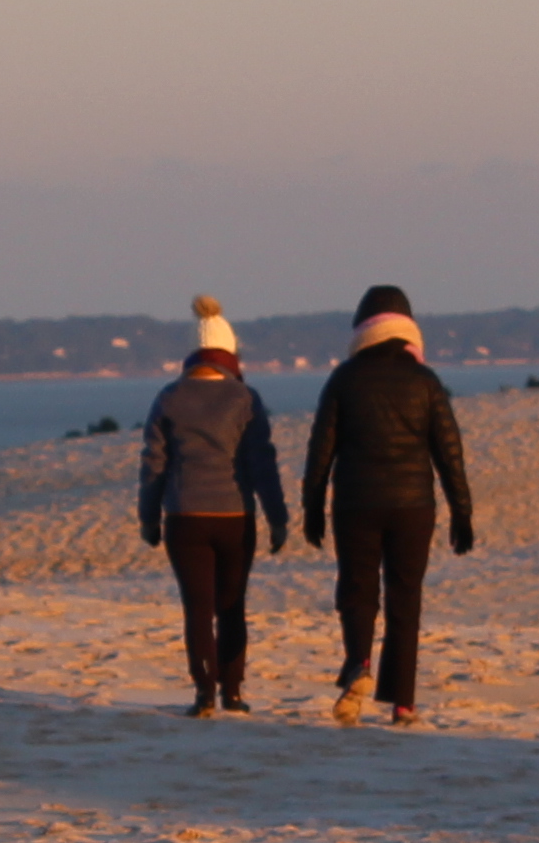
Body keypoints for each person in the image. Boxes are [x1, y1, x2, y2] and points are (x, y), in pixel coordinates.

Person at [297, 282, 474, 725]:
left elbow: (320, 450)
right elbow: (449, 451)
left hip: (356, 503)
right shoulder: (425, 381)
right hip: (413, 506)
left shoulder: (343, 379)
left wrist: (312, 507)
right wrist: (462, 511)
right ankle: (404, 702)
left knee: (357, 590)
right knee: (404, 598)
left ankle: (359, 663)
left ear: (362, 330)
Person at [134, 297, 288, 715]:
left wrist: (148, 517)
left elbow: (154, 464)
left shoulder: (169, 397)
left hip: (184, 516)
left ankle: (203, 694)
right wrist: (277, 518)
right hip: (235, 516)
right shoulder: (244, 398)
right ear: (229, 352)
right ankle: (233, 692)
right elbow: (262, 463)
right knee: (231, 605)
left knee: (197, 608)